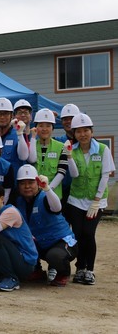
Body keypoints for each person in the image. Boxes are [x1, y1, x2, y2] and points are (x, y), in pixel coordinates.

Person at [65, 114, 115, 285]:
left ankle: (90, 270)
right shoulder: (73, 150)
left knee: (88, 233)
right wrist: (69, 157)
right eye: (78, 131)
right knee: (78, 234)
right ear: (74, 134)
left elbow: (105, 175)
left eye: (86, 130)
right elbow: (74, 174)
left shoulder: (102, 149)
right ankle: (80, 268)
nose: (83, 134)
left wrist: (96, 200)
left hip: (96, 201)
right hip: (76, 200)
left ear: (92, 131)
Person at [14, 165, 77, 286]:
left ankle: (63, 273)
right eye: (22, 183)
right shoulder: (19, 201)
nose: (27, 186)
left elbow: (57, 208)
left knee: (55, 256)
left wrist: (47, 189)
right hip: (40, 242)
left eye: (31, 182)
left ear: (37, 183)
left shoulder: (45, 197)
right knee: (16, 243)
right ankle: (36, 270)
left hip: (61, 242)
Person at [26, 109, 69, 200]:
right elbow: (31, 160)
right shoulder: (31, 145)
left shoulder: (61, 147)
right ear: (36, 128)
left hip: (54, 195)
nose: (44, 129)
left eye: (48, 126)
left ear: (53, 128)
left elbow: (62, 172)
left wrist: (48, 189)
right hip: (34, 195)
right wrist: (32, 138)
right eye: (41, 125)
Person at [0, 97, 29, 174]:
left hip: (14, 179)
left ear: (11, 115)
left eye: (5, 114)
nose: (2, 117)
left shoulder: (19, 134)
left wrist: (20, 134)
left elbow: (24, 157)